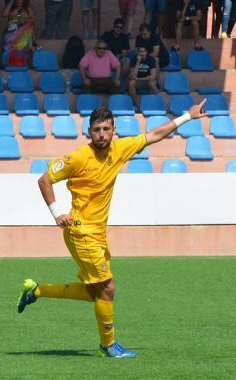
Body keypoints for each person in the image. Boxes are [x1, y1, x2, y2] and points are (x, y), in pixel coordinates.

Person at [17, 101, 207, 358]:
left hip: (97, 233)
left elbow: (155, 135)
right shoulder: (77, 158)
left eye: (106, 129)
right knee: (107, 288)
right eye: (97, 130)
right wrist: (56, 213)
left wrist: (188, 116)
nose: (102, 135)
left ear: (114, 130)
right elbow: (44, 180)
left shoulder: (120, 149)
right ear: (89, 132)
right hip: (81, 231)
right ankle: (108, 345)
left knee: (94, 291)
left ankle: (36, 290)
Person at [1, 0, 35, 68]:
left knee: (30, 27)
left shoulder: (27, 7)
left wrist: (22, 21)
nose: (18, 0)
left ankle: (20, 61)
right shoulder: (11, 7)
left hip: (24, 32)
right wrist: (11, 2)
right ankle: (11, 62)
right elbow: (4, 14)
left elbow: (32, 19)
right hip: (11, 32)